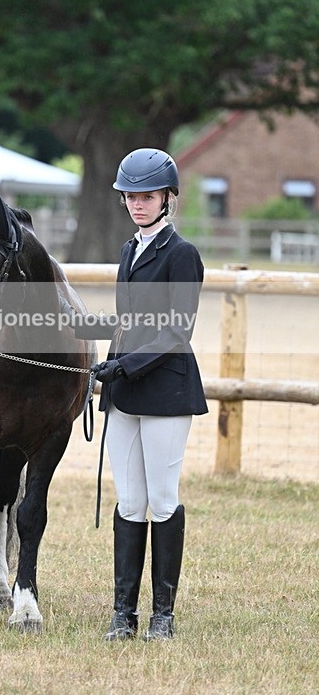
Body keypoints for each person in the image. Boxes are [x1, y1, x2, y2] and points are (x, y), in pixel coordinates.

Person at [90, 148, 208, 642]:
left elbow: (175, 332)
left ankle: (163, 614)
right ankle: (124, 613)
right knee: (129, 500)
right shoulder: (128, 250)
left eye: (148, 196)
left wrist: (123, 365)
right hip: (125, 394)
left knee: (162, 500)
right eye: (131, 197)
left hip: (164, 392)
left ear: (166, 198)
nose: (138, 205)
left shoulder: (181, 254)